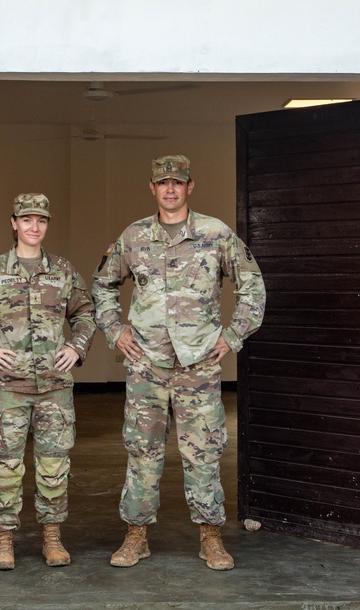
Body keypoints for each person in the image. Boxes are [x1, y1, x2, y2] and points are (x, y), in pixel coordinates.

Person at [92, 155, 266, 570]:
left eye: (178, 182)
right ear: (151, 188)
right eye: (162, 182)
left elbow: (252, 287)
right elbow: (102, 285)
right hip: (146, 365)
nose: (170, 188)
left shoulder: (215, 233)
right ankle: (136, 536)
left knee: (204, 451)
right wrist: (116, 331)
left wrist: (232, 334)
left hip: (199, 365)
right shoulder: (133, 236)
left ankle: (210, 537)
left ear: (191, 186)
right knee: (142, 450)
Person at [0, 193, 96, 570]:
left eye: (42, 221)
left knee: (53, 466)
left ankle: (52, 537)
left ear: (47, 225)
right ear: (13, 223)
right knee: (5, 468)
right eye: (27, 219)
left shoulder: (62, 270)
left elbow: (85, 313)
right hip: (8, 390)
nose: (35, 227)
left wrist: (77, 347)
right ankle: (3, 541)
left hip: (54, 388)